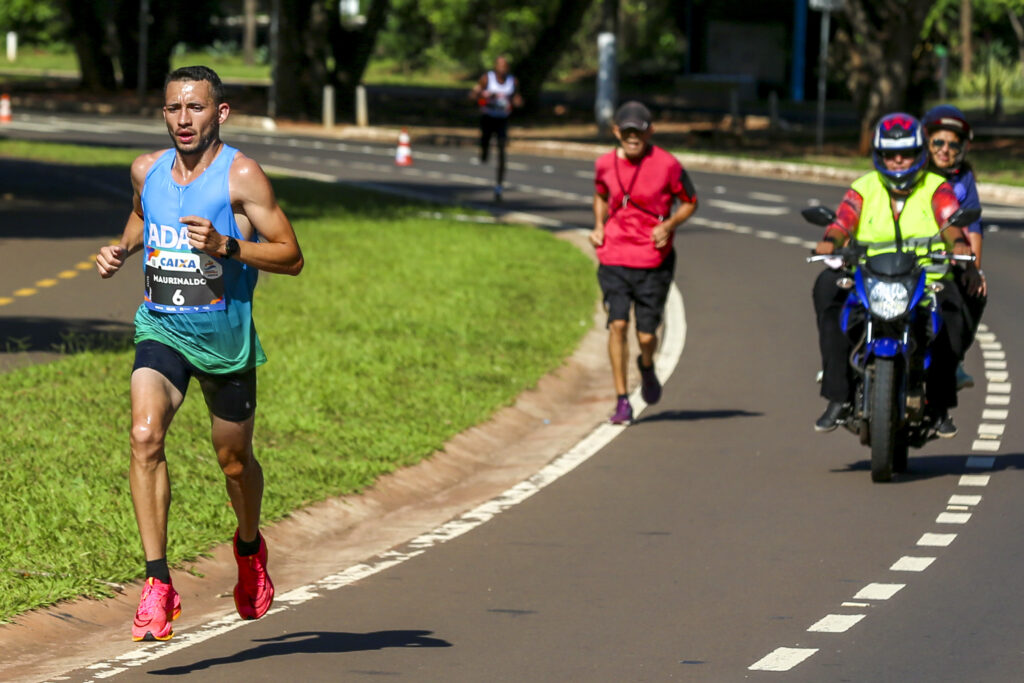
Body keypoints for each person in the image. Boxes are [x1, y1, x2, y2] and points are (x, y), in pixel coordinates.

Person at [95, 65, 304, 642]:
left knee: (234, 463)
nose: (183, 120)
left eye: (195, 108)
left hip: (226, 341)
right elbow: (142, 216)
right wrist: (122, 247)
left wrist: (229, 246)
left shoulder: (242, 176)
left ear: (221, 112)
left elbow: (291, 255)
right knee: (144, 435)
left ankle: (248, 547)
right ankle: (157, 583)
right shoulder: (147, 170)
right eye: (173, 109)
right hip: (162, 327)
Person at [812, 112, 977, 436]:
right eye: (891, 154)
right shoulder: (863, 188)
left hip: (926, 279)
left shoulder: (937, 187)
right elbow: (842, 222)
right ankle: (839, 396)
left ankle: (940, 404)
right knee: (826, 288)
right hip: (868, 278)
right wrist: (829, 244)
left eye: (906, 154)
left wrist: (960, 247)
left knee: (953, 309)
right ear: (879, 155)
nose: (898, 161)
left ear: (920, 154)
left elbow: (951, 223)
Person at [590, 101, 698, 424]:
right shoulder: (604, 165)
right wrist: (598, 225)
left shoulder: (668, 165)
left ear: (650, 131)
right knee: (618, 324)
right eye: (627, 132)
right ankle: (622, 400)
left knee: (647, 336)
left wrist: (669, 225)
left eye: (639, 132)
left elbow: (690, 201)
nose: (633, 138)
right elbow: (600, 194)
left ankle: (646, 366)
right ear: (616, 132)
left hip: (654, 261)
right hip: (614, 257)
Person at [922, 104, 986, 390]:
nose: (944, 149)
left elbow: (974, 226)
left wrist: (973, 269)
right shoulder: (910, 173)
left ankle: (953, 361)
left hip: (944, 263)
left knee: (973, 295)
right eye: (938, 142)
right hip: (905, 261)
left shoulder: (964, 179)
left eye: (952, 144)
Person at [469, 55, 523, 201]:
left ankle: (499, 186)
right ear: (495, 67)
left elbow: (518, 99)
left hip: (502, 119)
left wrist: (517, 102)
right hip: (488, 117)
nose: (502, 69)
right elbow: (473, 95)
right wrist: (482, 95)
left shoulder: (513, 81)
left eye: (505, 66)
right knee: (485, 142)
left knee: (501, 151)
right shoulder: (487, 78)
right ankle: (484, 151)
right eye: (499, 66)